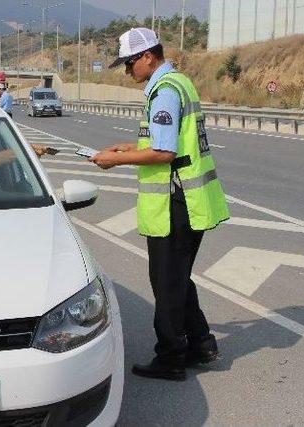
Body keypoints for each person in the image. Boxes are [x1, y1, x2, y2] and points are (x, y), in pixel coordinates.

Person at [89, 28, 230, 381]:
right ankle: (200, 343)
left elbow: (165, 152)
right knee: (177, 276)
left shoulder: (165, 92)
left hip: (175, 201)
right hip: (188, 198)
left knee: (166, 282)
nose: (127, 71)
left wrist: (115, 160)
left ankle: (170, 357)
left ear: (148, 56)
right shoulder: (179, 82)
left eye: (129, 63)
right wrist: (127, 146)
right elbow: (167, 140)